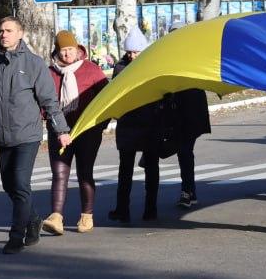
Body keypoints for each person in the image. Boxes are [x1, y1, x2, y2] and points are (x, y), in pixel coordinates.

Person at [0, 16, 72, 254]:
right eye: (1, 31)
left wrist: (61, 129)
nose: (3, 34)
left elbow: (49, 99)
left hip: (27, 134)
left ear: (20, 33)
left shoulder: (33, 63)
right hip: (2, 135)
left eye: (9, 30)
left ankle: (16, 236)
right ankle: (34, 220)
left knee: (20, 184)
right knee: (9, 186)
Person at [41, 30, 108, 237]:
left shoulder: (92, 70)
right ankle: (56, 217)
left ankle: (86, 216)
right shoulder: (50, 73)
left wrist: (99, 125)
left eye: (70, 50)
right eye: (63, 51)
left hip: (87, 132)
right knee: (59, 173)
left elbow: (106, 99)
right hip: (59, 132)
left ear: (78, 49)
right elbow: (43, 100)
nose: (67, 55)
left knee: (84, 173)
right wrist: (48, 120)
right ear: (57, 51)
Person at [108, 29, 163, 225]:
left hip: (151, 124)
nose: (132, 56)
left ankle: (151, 208)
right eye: (130, 52)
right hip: (128, 124)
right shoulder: (120, 68)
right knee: (125, 170)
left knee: (151, 168)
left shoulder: (154, 65)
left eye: (136, 52)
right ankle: (122, 209)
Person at [170, 88, 211, 209]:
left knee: (184, 152)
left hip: (190, 113)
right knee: (184, 153)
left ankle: (187, 192)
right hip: (181, 113)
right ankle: (190, 192)